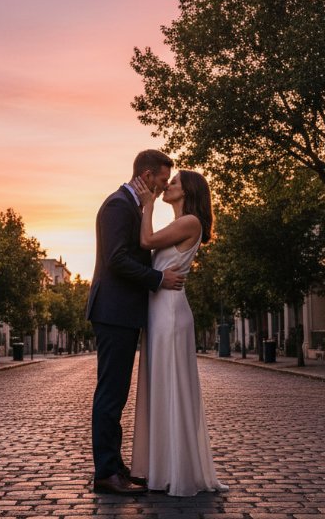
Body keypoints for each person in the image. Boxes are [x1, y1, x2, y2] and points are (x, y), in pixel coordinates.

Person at [86, 149, 187, 496]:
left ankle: (115, 467)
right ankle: (106, 473)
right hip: (113, 312)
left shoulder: (131, 206)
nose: (162, 186)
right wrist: (157, 280)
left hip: (122, 313)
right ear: (146, 175)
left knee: (117, 393)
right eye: (161, 179)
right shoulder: (118, 205)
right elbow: (116, 260)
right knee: (110, 394)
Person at [130, 169, 228, 497]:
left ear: (186, 191)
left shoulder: (190, 222)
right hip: (160, 309)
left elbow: (146, 242)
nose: (166, 186)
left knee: (171, 385)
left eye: (173, 183)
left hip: (171, 312)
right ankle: (161, 465)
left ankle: (175, 468)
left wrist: (147, 204)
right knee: (160, 384)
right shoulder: (179, 223)